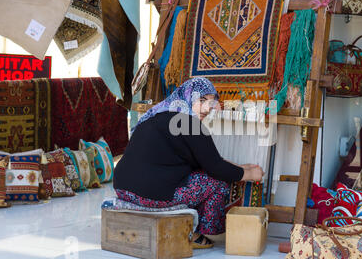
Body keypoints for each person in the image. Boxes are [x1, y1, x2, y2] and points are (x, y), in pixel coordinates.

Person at [113, 77, 264, 249]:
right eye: (201, 100)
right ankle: (197, 232)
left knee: (207, 174)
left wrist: (241, 167)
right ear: (188, 96)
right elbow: (216, 169)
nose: (207, 108)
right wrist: (250, 174)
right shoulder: (190, 124)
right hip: (150, 196)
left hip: (123, 189)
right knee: (219, 181)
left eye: (211, 102)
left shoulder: (156, 115)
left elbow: (207, 161)